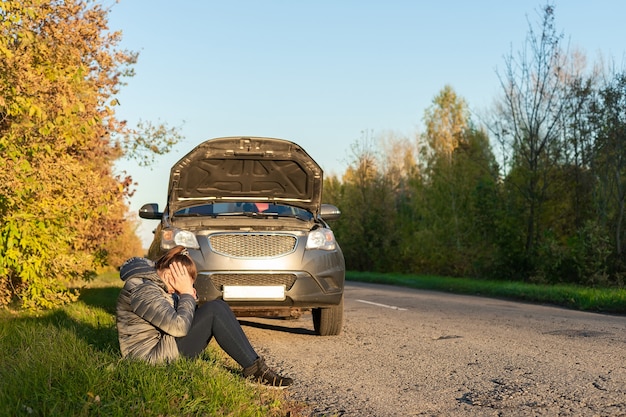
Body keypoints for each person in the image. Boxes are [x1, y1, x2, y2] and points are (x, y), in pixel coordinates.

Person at [115, 245, 293, 388]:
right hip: (149, 359)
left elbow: (178, 315)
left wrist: (186, 295)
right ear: (170, 275)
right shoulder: (143, 290)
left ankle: (256, 367)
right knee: (214, 310)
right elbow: (179, 326)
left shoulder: (156, 284)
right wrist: (185, 294)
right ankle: (256, 371)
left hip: (161, 344)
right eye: (178, 286)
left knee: (217, 308)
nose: (176, 291)